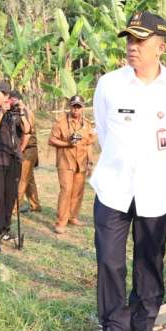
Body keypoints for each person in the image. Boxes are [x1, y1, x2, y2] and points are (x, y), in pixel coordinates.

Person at [83, 11, 166, 331]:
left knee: (150, 260)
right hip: (114, 187)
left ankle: (143, 323)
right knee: (109, 260)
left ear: (161, 46)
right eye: (130, 40)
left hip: (156, 190)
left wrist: (154, 166)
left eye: (140, 40)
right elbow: (104, 133)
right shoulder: (109, 84)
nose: (132, 47)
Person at [0, 81, 31, 255]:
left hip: (13, 159)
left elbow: (27, 130)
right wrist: (1, 113)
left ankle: (5, 228)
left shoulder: (17, 111)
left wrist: (22, 112)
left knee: (10, 197)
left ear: (6, 95)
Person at [48, 94, 96, 234]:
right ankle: (61, 221)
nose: (76, 110)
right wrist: (67, 144)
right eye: (74, 107)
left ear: (83, 108)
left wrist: (90, 162)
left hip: (81, 162)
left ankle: (73, 216)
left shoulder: (87, 124)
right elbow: (51, 140)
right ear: (70, 107)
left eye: (78, 107)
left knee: (78, 191)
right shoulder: (61, 123)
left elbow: (89, 144)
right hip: (65, 161)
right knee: (66, 190)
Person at [11, 90, 41, 214]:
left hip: (28, 149)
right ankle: (35, 205)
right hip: (28, 148)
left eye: (12, 100)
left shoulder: (25, 111)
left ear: (18, 100)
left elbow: (27, 134)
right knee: (29, 178)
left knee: (22, 179)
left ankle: (14, 208)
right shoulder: (17, 111)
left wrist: (20, 150)